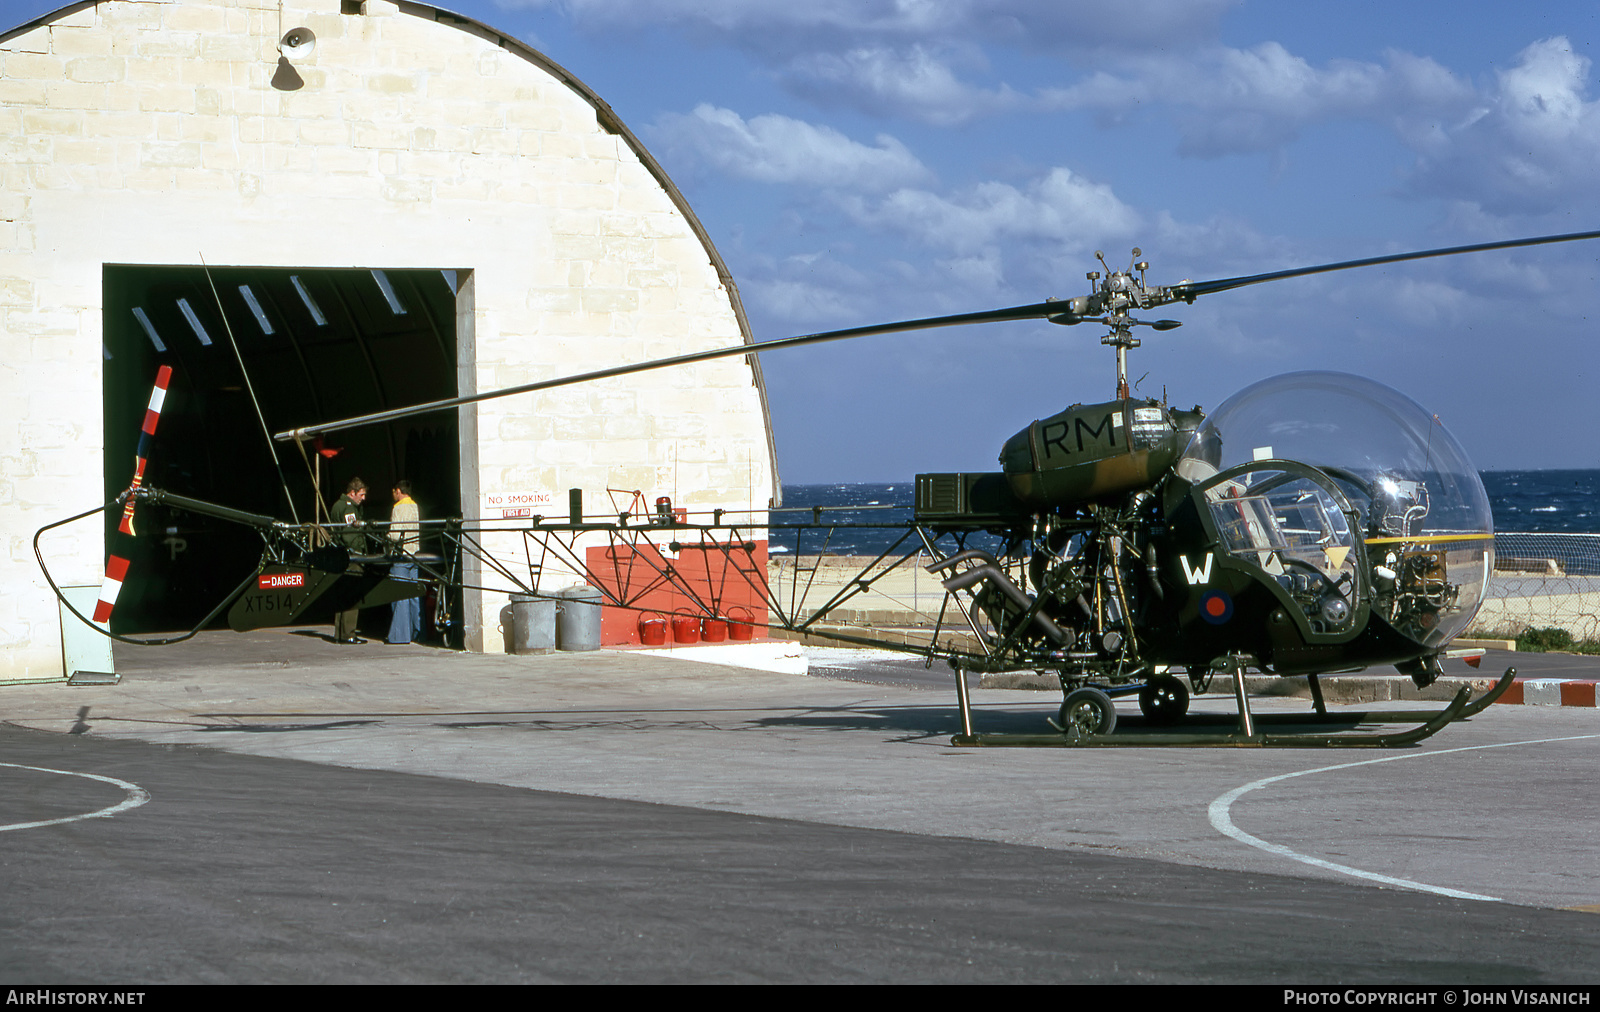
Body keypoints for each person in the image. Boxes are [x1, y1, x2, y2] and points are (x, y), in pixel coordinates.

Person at [329, 477, 369, 644]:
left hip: (340, 555)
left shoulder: (337, 506)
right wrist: (360, 552)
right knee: (352, 595)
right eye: (361, 494)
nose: (363, 498)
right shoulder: (348, 509)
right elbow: (350, 534)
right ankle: (349, 633)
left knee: (342, 594)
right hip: (351, 556)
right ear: (352, 493)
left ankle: (340, 633)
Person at [386, 479, 423, 645]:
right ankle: (418, 631)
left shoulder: (398, 507)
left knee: (400, 594)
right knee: (414, 594)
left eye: (394, 492)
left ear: (398, 491)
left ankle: (400, 635)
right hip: (415, 552)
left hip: (401, 553)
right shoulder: (415, 506)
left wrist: (385, 537)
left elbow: (395, 533)